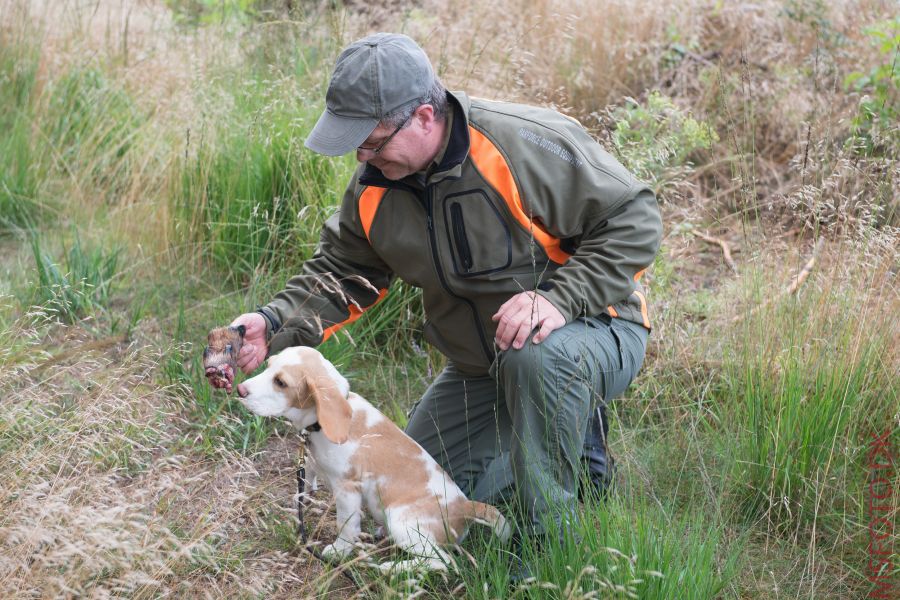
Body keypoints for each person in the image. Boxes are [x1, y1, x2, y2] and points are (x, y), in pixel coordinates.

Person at [223, 33, 662, 543]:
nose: (361, 157)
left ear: (424, 117)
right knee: (415, 495)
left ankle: (552, 546)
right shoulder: (376, 181)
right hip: (483, 365)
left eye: (371, 141)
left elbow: (635, 217)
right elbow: (344, 269)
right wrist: (272, 323)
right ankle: (556, 453)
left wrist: (559, 299)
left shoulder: (522, 144)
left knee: (536, 362)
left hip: (595, 329)